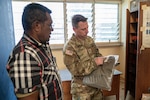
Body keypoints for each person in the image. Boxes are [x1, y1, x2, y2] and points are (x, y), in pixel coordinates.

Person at [6, 3, 62, 100]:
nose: (52, 29)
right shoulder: (24, 56)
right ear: (37, 26)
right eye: (49, 25)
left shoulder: (42, 45)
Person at [63, 14, 106, 100]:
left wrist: (105, 60)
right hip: (82, 90)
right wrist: (95, 62)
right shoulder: (69, 47)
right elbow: (75, 70)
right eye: (83, 29)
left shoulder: (89, 40)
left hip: (95, 85)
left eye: (87, 28)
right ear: (74, 29)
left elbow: (97, 54)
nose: (87, 31)